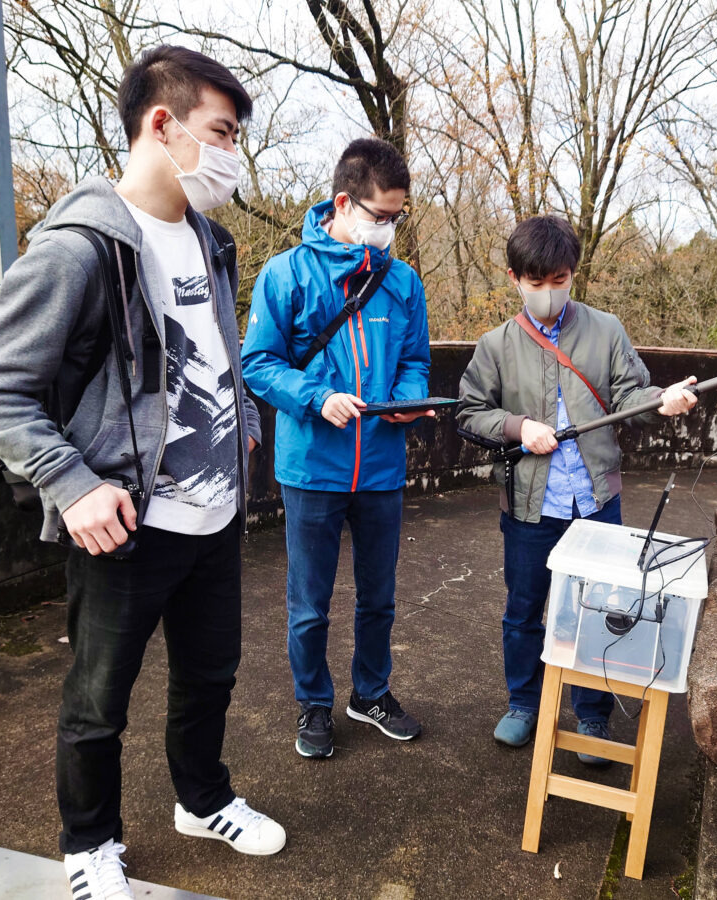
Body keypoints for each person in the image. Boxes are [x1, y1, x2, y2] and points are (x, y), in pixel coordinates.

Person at [0, 45, 285, 900]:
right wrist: (71, 484)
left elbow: (213, 351)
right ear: (161, 124)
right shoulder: (80, 248)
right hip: (128, 527)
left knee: (211, 675)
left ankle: (202, 798)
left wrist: (244, 419)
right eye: (222, 132)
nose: (232, 155)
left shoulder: (211, 242)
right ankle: (89, 844)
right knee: (99, 701)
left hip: (214, 520)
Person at [456, 215, 697, 761]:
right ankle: (524, 705)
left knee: (601, 609)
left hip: (596, 502)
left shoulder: (606, 330)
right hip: (528, 505)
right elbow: (471, 414)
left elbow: (631, 397)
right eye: (535, 283)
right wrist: (519, 427)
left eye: (559, 281)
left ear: (572, 275)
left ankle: (593, 719)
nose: (548, 293)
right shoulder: (495, 345)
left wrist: (663, 400)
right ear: (515, 278)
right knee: (524, 609)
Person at [241, 137, 431, 760]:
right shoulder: (285, 273)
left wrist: (405, 397)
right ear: (344, 203)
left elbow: (414, 362)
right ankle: (313, 704)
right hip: (311, 467)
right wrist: (314, 397)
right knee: (309, 604)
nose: (389, 229)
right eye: (381, 216)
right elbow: (258, 364)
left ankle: (370, 693)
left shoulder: (403, 282)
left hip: (380, 465)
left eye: (398, 218)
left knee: (380, 596)